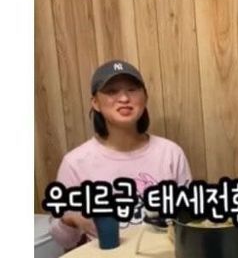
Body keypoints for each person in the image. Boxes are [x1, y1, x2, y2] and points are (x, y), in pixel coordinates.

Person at [49, 60, 191, 250]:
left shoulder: (170, 153)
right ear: (95, 103)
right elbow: (63, 241)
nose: (124, 98)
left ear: (145, 98)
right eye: (111, 91)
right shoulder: (75, 162)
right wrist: (70, 219)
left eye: (132, 89)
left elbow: (189, 219)